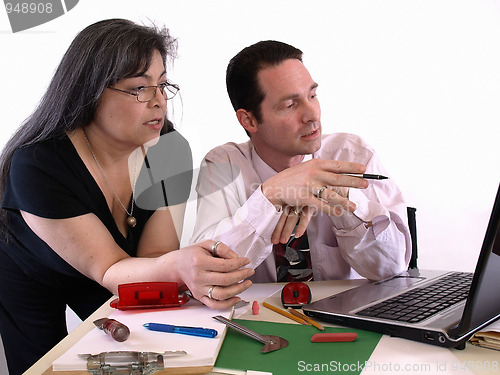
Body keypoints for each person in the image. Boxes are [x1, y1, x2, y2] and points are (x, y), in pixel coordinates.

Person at [0, 19, 253, 375]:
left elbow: (154, 259)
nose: (159, 101)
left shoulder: (169, 148)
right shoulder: (38, 163)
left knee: (142, 345)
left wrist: (187, 268)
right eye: (140, 88)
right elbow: (107, 268)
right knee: (44, 365)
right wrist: (181, 267)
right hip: (33, 270)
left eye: (163, 85)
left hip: (119, 267)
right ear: (90, 91)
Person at [191, 40, 411, 283]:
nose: (312, 114)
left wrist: (346, 199)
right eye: (290, 105)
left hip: (341, 315)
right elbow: (207, 273)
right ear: (249, 120)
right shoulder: (223, 166)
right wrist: (269, 196)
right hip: (258, 317)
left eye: (312, 95)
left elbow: (392, 268)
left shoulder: (352, 155)